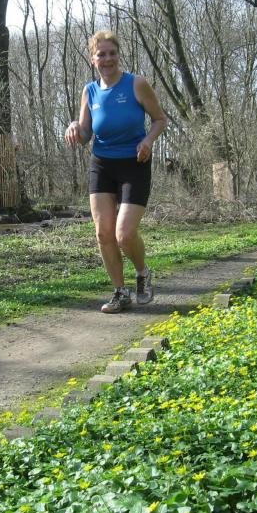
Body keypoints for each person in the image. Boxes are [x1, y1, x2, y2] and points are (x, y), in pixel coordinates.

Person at [64, 30, 167, 314]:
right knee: (103, 233)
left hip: (134, 162)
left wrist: (148, 141)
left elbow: (160, 120)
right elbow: (85, 134)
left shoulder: (136, 84)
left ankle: (143, 273)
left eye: (112, 53)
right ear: (92, 59)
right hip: (102, 164)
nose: (107, 59)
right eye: (101, 54)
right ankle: (120, 292)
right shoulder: (89, 91)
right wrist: (74, 126)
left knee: (124, 234)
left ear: (118, 55)